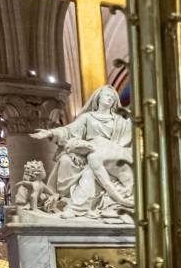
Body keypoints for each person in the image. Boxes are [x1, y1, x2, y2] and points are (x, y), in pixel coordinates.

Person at [32, 84, 134, 220]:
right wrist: (50, 132)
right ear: (98, 98)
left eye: (112, 97)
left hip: (112, 155)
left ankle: (75, 208)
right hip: (90, 155)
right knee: (73, 164)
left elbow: (130, 138)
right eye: (107, 95)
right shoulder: (88, 118)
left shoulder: (121, 121)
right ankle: (73, 206)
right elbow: (68, 131)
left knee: (90, 173)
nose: (110, 98)